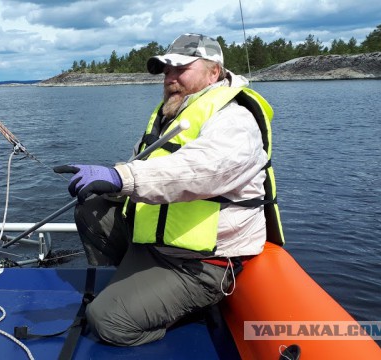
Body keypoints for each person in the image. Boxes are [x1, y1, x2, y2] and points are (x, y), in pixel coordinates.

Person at [54, 33, 283, 346]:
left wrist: (122, 177)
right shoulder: (169, 114)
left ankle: (180, 311)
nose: (170, 78)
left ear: (213, 72)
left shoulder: (235, 119)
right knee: (91, 211)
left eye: (180, 69)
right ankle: (137, 285)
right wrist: (108, 182)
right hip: (162, 241)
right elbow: (148, 166)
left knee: (106, 322)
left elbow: (200, 171)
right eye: (166, 70)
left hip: (200, 263)